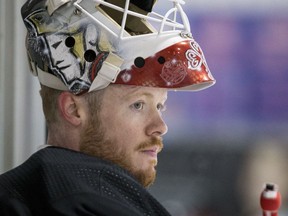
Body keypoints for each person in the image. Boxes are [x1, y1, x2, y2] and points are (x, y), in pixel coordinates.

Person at [0, 0, 215, 215]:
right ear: (74, 110)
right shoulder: (89, 202)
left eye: (160, 106)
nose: (160, 127)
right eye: (138, 105)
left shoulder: (24, 191)